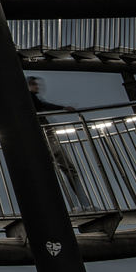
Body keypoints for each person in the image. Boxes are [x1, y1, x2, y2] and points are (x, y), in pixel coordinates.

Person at [28, 76, 88, 206]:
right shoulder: (30, 98)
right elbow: (43, 105)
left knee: (56, 171)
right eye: (33, 84)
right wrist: (63, 108)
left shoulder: (30, 100)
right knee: (68, 169)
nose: (37, 87)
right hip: (47, 137)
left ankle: (74, 205)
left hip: (43, 137)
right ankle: (82, 204)